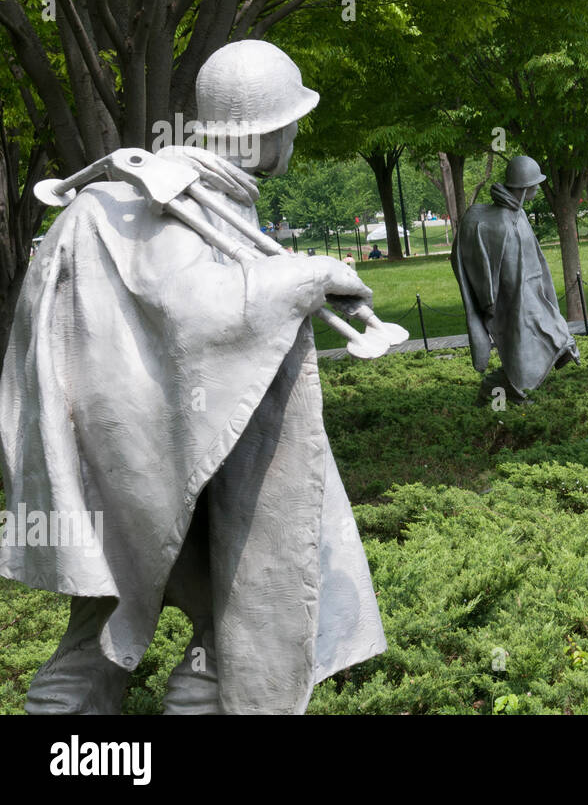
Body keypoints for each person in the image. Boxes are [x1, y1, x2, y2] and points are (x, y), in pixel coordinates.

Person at [0, 39, 386, 714]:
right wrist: (308, 276)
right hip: (146, 484)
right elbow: (194, 314)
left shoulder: (188, 198)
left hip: (144, 472)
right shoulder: (164, 206)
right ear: (265, 132)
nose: (296, 134)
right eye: (291, 122)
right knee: (228, 630)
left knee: (105, 638)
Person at [451, 155, 578, 405]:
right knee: (522, 353)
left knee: (558, 336)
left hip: (533, 294)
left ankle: (517, 387)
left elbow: (536, 259)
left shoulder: (518, 216)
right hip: (511, 300)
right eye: (535, 184)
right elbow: (485, 266)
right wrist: (491, 303)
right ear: (523, 188)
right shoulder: (495, 222)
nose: (539, 188)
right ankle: (504, 391)